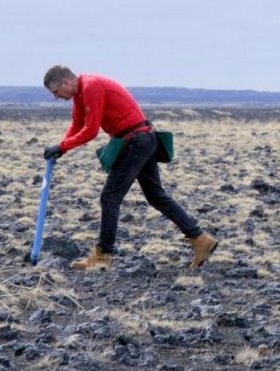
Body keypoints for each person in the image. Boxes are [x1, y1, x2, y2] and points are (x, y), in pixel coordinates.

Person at [41, 65, 218, 270]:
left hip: (136, 141)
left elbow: (90, 130)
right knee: (155, 195)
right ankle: (200, 239)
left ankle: (102, 255)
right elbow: (77, 124)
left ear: (65, 82)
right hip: (142, 138)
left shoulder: (91, 86)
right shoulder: (80, 93)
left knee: (110, 197)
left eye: (56, 92)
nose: (57, 97)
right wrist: (61, 148)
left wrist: (63, 146)